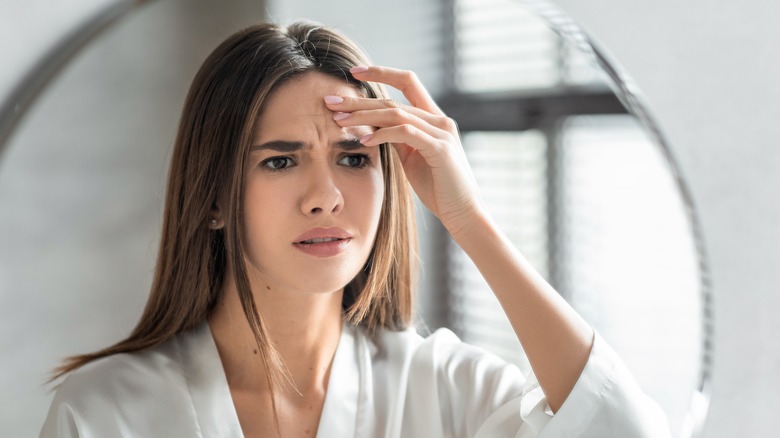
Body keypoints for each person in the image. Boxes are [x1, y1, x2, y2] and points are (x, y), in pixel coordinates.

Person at [40, 21, 669, 437]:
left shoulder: (447, 390)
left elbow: (620, 427)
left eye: (354, 158)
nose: (325, 198)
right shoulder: (105, 412)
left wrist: (467, 218)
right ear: (214, 198)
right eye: (280, 161)